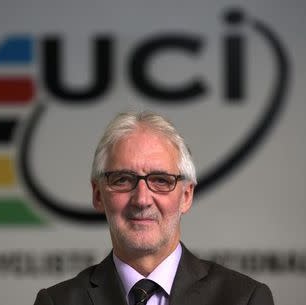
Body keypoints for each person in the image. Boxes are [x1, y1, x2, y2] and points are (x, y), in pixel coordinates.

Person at [33, 111, 274, 305]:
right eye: (123, 180)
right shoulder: (56, 302)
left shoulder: (244, 299)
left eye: (161, 180)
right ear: (98, 194)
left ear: (186, 196)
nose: (142, 199)